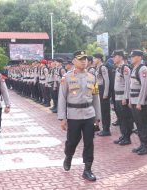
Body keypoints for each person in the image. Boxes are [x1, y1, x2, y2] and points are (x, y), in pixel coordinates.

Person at [57, 50, 101, 181]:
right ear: (73, 61)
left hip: (89, 115)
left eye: (85, 59)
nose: (83, 61)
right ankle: (68, 156)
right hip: (74, 115)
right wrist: (62, 118)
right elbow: (62, 98)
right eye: (80, 58)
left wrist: (98, 118)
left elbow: (96, 98)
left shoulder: (92, 77)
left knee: (89, 143)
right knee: (72, 141)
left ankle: (87, 169)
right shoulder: (67, 77)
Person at [129, 50, 147, 155]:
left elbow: (144, 87)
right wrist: (130, 100)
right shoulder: (135, 68)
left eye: (133, 56)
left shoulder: (143, 69)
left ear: (139, 57)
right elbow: (131, 86)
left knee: (144, 124)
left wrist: (140, 102)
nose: (131, 58)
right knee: (138, 124)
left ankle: (146, 146)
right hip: (134, 101)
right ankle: (142, 144)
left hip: (140, 102)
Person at [112, 50, 134, 145]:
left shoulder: (125, 68)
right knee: (120, 118)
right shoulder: (118, 68)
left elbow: (128, 83)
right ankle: (123, 135)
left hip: (123, 97)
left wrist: (126, 97)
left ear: (120, 57)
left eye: (115, 56)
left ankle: (127, 137)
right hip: (117, 96)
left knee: (126, 118)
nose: (113, 58)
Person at [94, 53, 112, 136]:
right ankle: (104, 128)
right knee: (101, 110)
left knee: (105, 111)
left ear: (99, 59)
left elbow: (107, 81)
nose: (94, 60)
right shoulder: (97, 68)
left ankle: (106, 129)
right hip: (99, 90)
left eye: (95, 58)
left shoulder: (103, 67)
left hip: (103, 90)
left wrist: (105, 93)